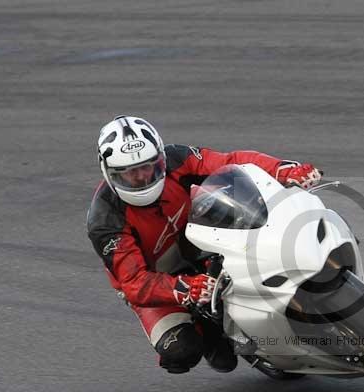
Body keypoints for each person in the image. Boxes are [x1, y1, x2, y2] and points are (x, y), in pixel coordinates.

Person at [87, 115, 321, 374]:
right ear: (110, 175)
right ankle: (207, 328)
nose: (143, 177)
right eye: (130, 174)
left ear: (161, 159)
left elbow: (231, 163)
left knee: (238, 207)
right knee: (185, 352)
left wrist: (282, 170)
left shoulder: (178, 158)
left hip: (199, 239)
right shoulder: (105, 219)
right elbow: (135, 282)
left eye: (149, 167)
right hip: (157, 278)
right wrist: (185, 288)